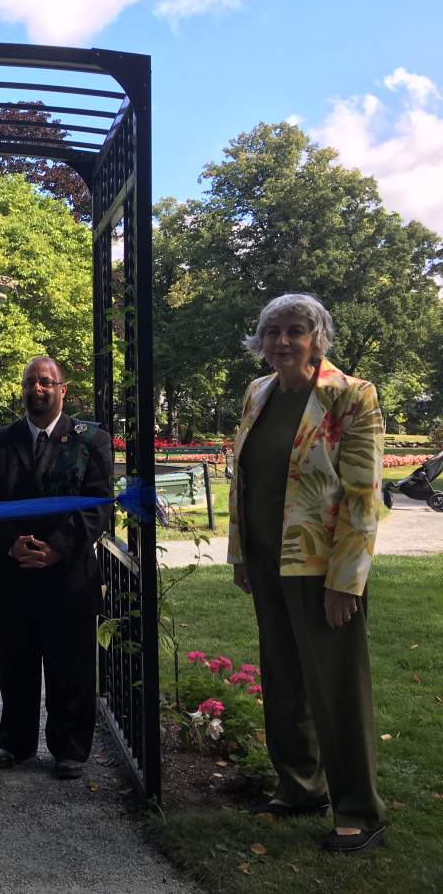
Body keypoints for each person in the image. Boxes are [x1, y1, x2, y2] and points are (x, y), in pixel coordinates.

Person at [228, 293, 386, 854]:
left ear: (317, 337)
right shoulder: (259, 392)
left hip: (322, 569)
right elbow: (243, 481)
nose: (283, 342)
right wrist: (242, 554)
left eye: (296, 330)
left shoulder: (350, 395)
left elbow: (365, 496)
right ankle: (299, 786)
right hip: (269, 560)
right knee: (284, 678)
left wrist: (347, 579)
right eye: (273, 331)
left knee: (335, 687)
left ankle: (359, 810)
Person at [0, 356, 113, 779]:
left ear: (62, 389)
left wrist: (55, 549)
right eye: (30, 382)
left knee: (69, 665)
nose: (37, 389)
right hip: (14, 574)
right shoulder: (1, 440)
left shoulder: (91, 439)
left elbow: (98, 504)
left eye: (46, 382)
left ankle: (69, 749)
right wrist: (10, 544)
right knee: (14, 666)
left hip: (67, 576)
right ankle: (15, 744)